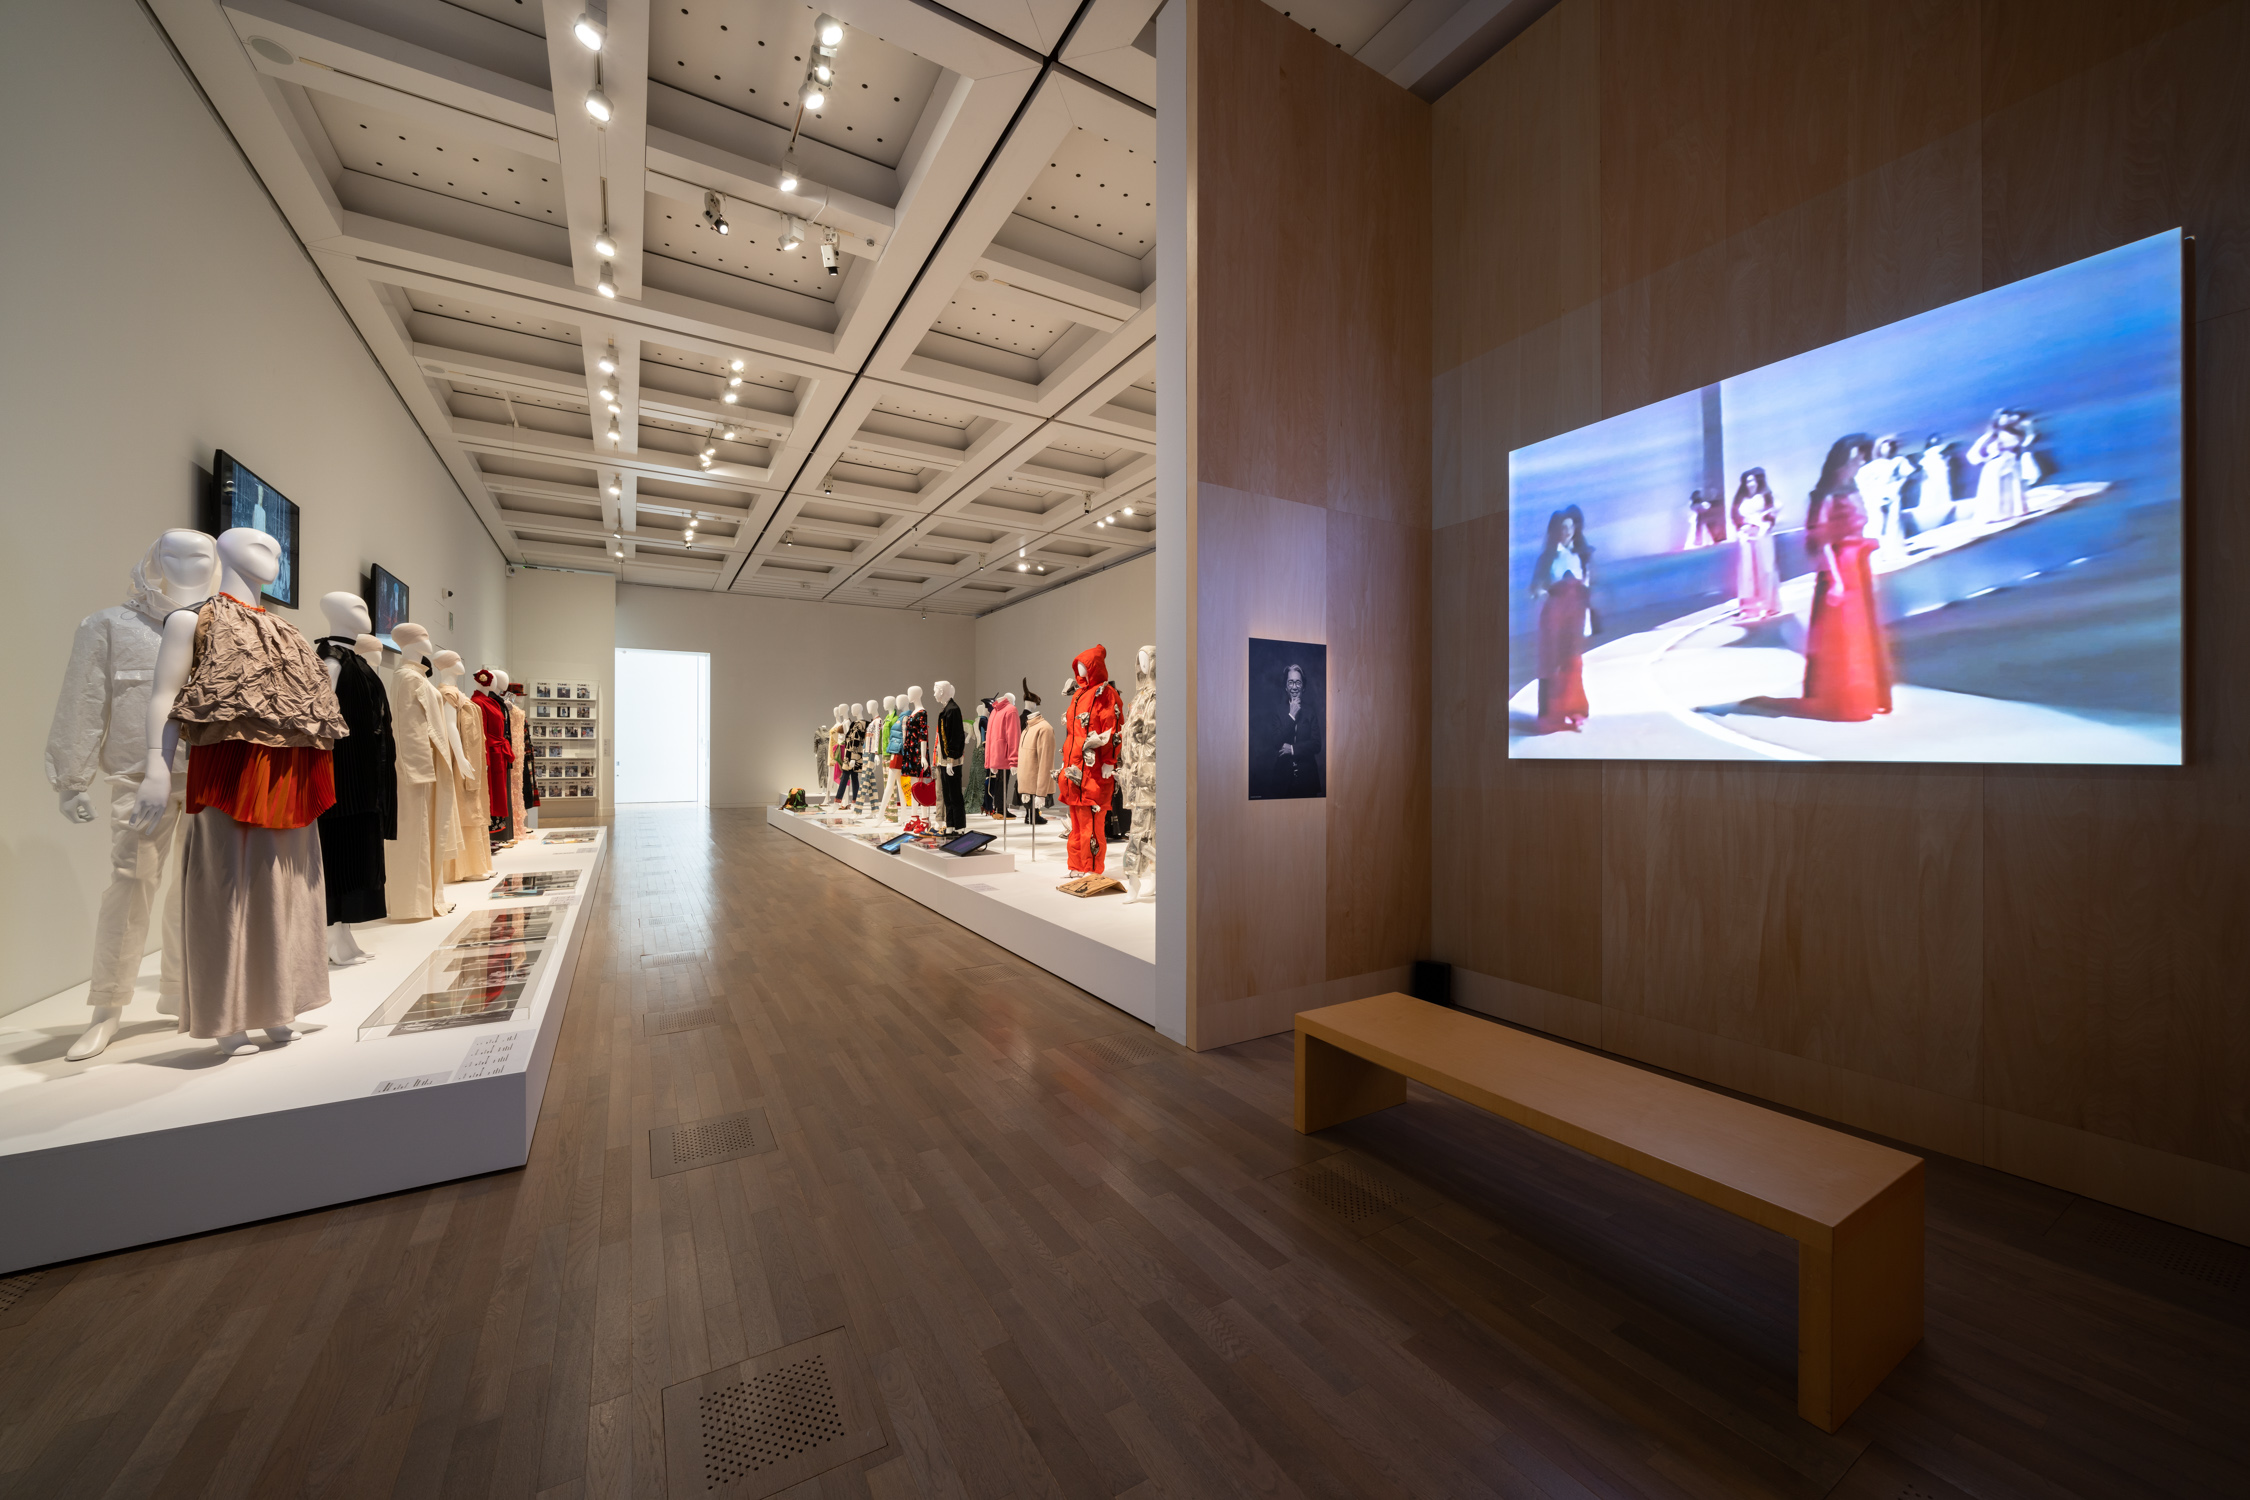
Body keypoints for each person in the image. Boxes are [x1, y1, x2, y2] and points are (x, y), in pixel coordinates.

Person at [1787, 438, 1892, 720]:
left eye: (1861, 459)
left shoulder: (1852, 490)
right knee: (1845, 635)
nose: (1859, 463)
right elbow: (1821, 539)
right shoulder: (1825, 495)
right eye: (1854, 459)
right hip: (1841, 568)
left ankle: (1866, 694)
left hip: (1858, 566)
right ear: (1840, 462)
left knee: (1862, 633)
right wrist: (1835, 579)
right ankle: (1844, 696)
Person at [1529, 506, 1594, 732]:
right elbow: (1534, 588)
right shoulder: (1547, 558)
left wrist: (1586, 623)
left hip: (1574, 618)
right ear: (1555, 530)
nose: (1566, 532)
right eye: (1562, 528)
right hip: (1553, 618)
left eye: (1570, 527)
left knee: (1573, 664)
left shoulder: (1580, 557)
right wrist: (1543, 591)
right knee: (1551, 666)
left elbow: (1585, 590)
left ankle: (1574, 711)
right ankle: (1551, 715)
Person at [1250, 661, 1323, 796]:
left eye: (1298, 682)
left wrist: (1293, 749)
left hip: (1307, 779)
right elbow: (1276, 742)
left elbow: (1316, 744)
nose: (1294, 687)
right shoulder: (1278, 711)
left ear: (1303, 687)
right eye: (1290, 682)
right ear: (1286, 687)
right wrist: (1292, 716)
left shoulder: (1310, 712)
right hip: (1282, 779)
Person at [1729, 468, 1782, 620]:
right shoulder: (1741, 499)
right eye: (1747, 481)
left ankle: (1767, 606)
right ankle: (1748, 608)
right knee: (1747, 572)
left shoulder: (1765, 496)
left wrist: (1764, 524)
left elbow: (1774, 511)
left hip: (1762, 535)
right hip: (1746, 537)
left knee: (1765, 569)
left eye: (1752, 480)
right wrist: (1741, 528)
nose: (1749, 484)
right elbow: (1735, 516)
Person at [1967, 409, 2027, 524]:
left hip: (2010, 463)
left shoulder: (2015, 433)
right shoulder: (1991, 436)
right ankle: (1995, 514)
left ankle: (2013, 512)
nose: (2006, 420)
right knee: (1994, 490)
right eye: (2003, 417)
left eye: (2007, 417)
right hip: (1995, 465)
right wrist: (1983, 460)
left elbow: (2018, 446)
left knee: (2012, 487)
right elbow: (1973, 453)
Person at [1860, 436, 1915, 555]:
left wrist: (1899, 485)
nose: (1889, 449)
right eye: (1885, 446)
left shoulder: (1899, 460)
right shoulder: (1871, 466)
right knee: (1879, 523)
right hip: (1877, 496)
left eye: (1891, 446)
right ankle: (1879, 550)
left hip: (1894, 495)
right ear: (1879, 449)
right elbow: (1862, 481)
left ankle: (1896, 550)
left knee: (1894, 522)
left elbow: (1909, 475)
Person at [1917, 434, 1955, 531]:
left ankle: (1941, 517)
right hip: (1933, 479)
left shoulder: (1937, 456)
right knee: (1933, 496)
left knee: (1941, 495)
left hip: (1939, 478)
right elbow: (1924, 472)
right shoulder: (1928, 458)